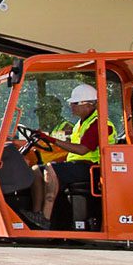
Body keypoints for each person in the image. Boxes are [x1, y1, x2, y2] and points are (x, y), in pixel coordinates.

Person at [31, 83, 108, 223]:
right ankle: (36, 213)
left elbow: (83, 149)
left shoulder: (99, 123)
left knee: (51, 168)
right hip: (77, 165)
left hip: (91, 167)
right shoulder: (81, 123)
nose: (71, 106)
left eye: (75, 103)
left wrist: (52, 140)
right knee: (36, 170)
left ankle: (45, 218)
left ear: (88, 104)